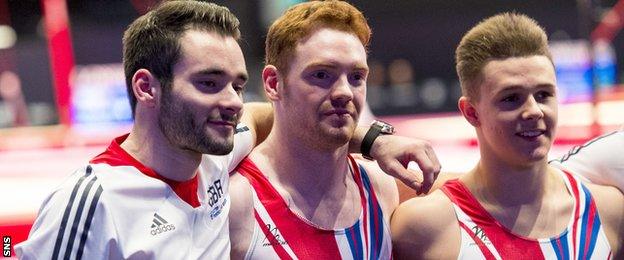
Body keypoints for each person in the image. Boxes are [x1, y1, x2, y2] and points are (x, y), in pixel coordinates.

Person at [15, 1, 440, 258]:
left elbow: (273, 114)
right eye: (208, 83)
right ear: (146, 87)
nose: (233, 101)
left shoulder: (216, 155)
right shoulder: (94, 201)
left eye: (237, 84)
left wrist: (373, 138)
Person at [391, 13, 623, 259]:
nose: (534, 110)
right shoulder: (426, 228)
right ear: (471, 112)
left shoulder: (609, 211)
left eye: (543, 95)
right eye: (511, 98)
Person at [228, 1, 439, 259]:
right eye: (321, 75)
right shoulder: (235, 203)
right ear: (273, 83)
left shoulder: (381, 187)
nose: (344, 92)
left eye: (356, 77)